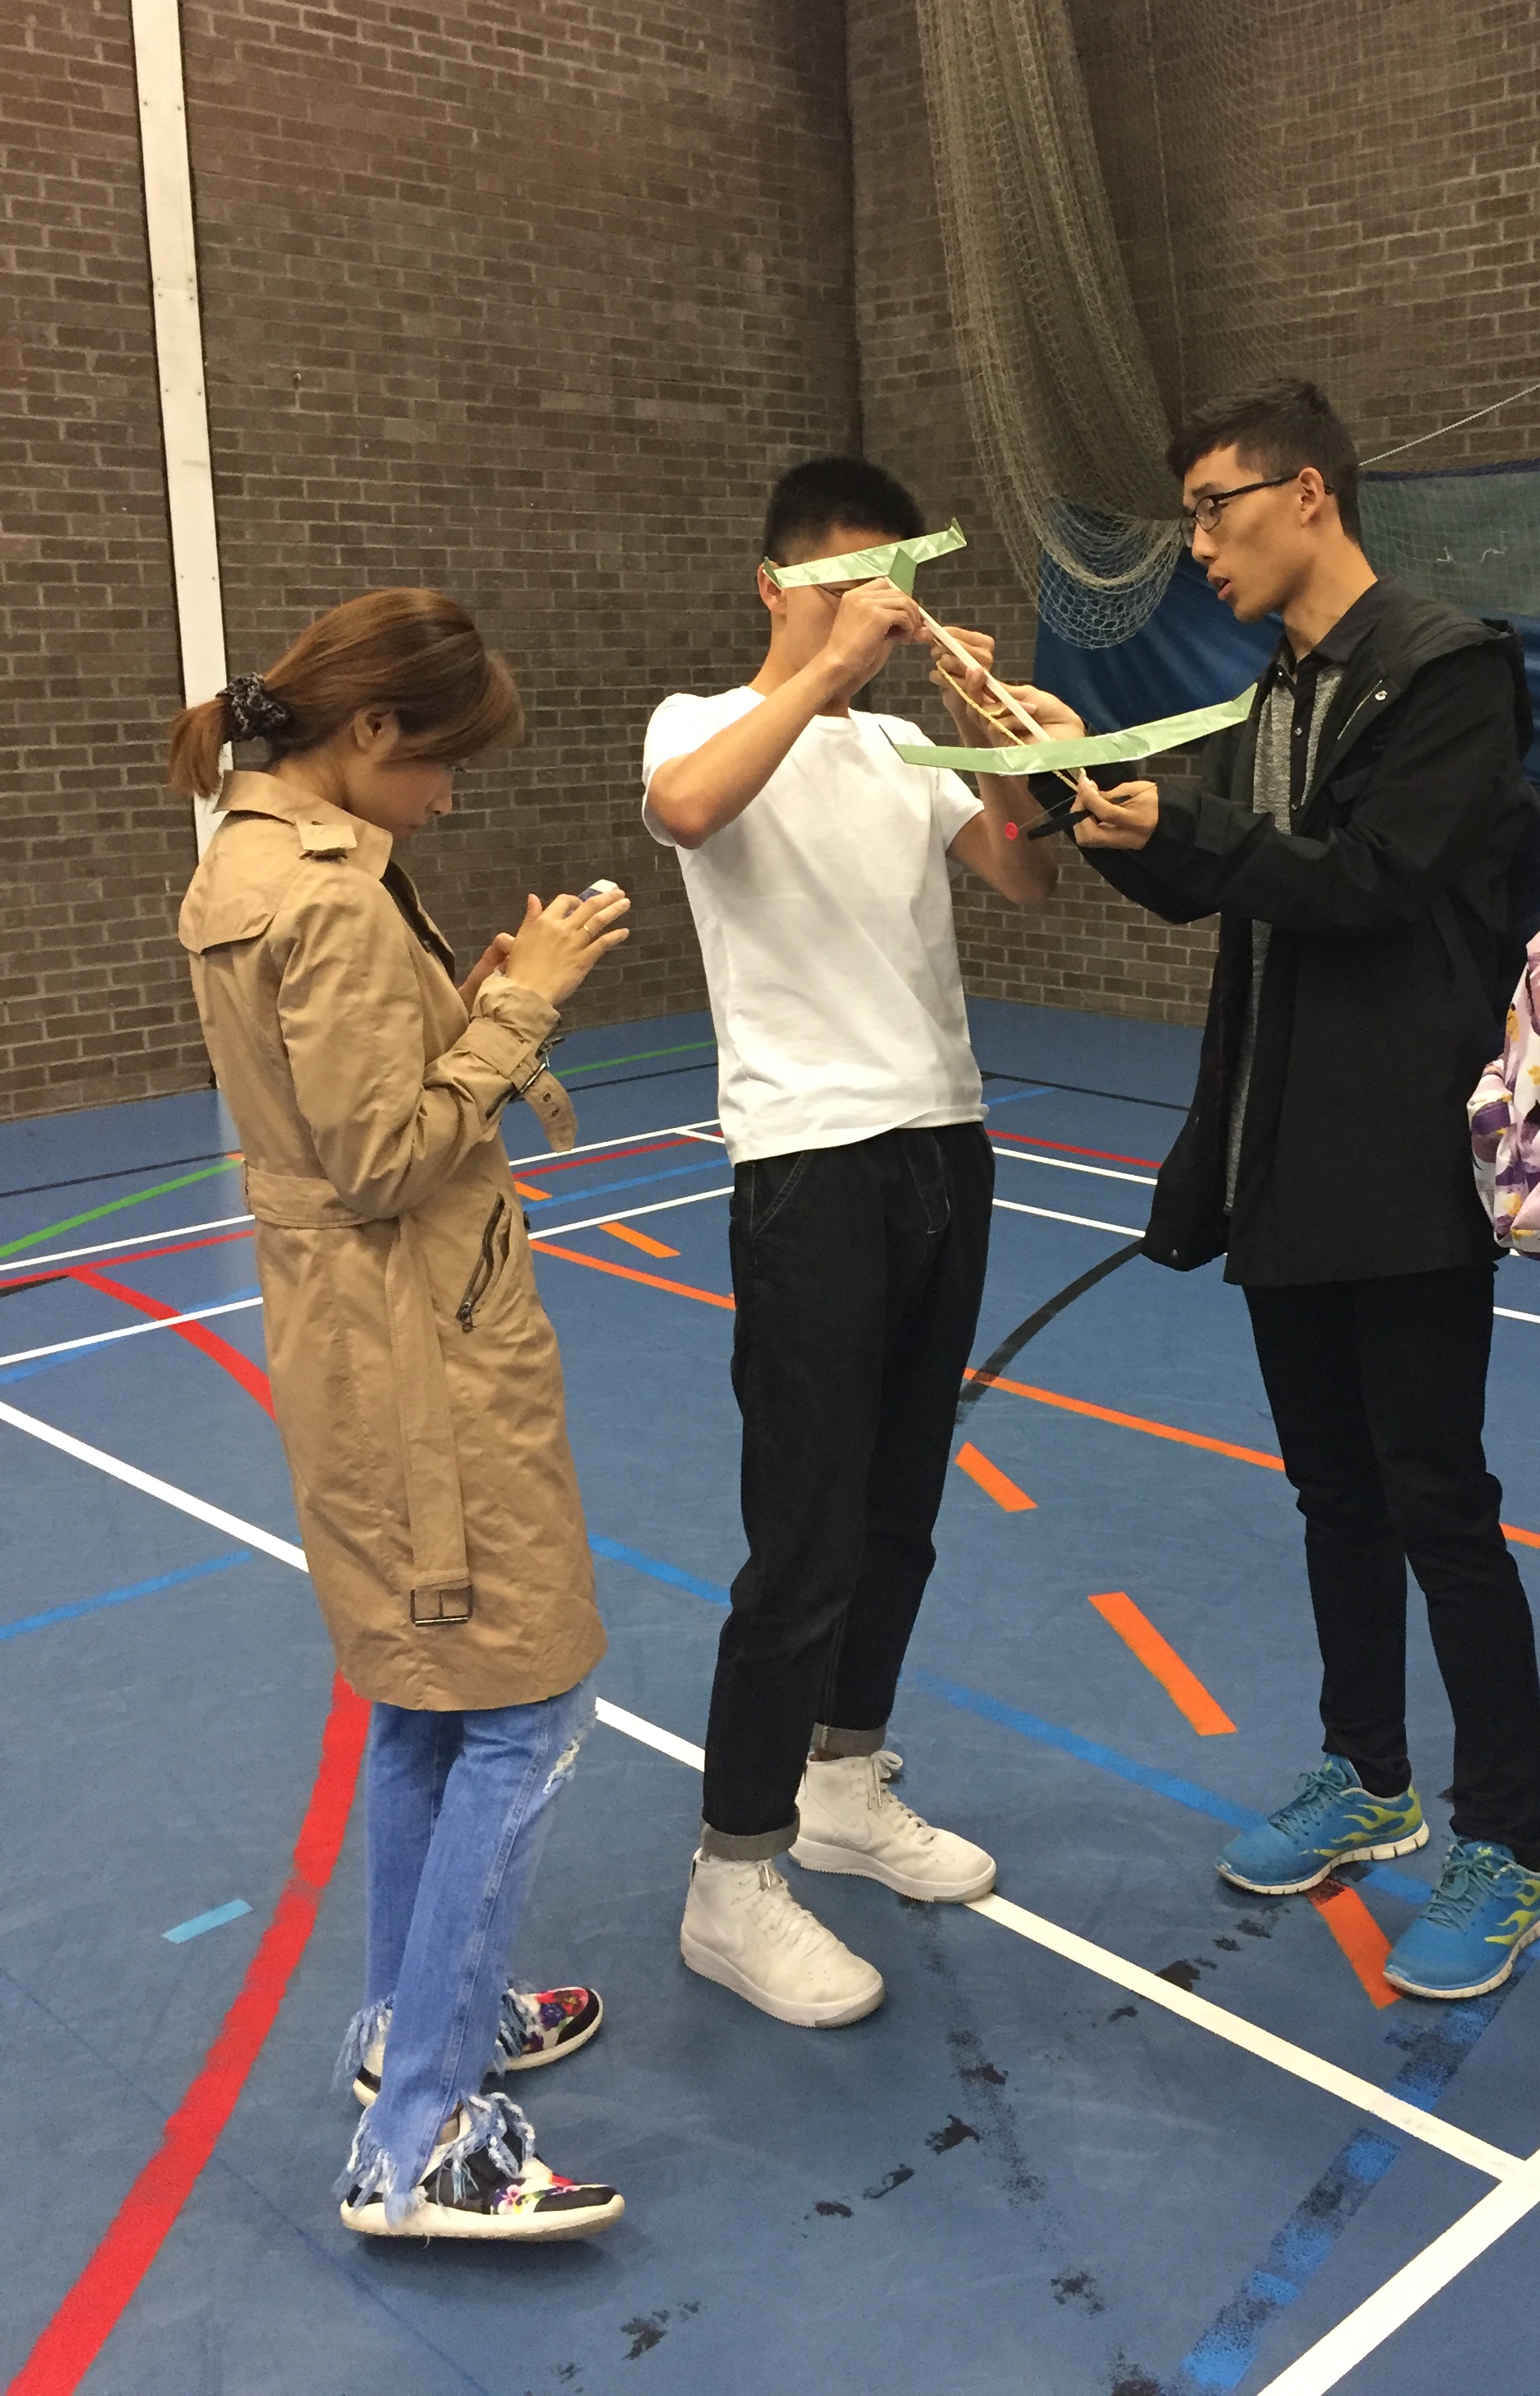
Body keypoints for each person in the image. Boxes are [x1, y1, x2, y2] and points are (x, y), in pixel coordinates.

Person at [1073, 378, 1540, 1999]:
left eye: (1214, 509)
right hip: (1282, 1155)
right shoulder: (1277, 689)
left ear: (1309, 495)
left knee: (1438, 1500)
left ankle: (1506, 1845)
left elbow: (1373, 884)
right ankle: (1369, 1776)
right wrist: (1089, 796)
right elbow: (1219, 884)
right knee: (1332, 1495)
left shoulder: (1448, 670)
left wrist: (1195, 828)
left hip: (1405, 1166)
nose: (1199, 546)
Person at [169, 589, 632, 2239]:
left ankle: (411, 2018)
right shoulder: (329, 898)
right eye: (440, 765)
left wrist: (462, 1003)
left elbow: (337, 1101)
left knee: (428, 1694)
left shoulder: (254, 859)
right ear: (371, 731)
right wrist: (524, 1004)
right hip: (418, 1350)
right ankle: (422, 2136)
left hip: (361, 1338)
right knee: (522, 1697)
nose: (444, 799)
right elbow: (380, 1160)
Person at [641, 456, 1083, 2026]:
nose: (878, 613)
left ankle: (842, 1780)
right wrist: (824, 670)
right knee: (806, 1530)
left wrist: (1016, 748)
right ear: (776, 587)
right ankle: (731, 1874)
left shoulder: (905, 744)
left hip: (943, 1139)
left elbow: (1025, 877)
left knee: (900, 1507)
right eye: (846, 585)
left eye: (894, 586)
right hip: (808, 1161)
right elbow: (687, 813)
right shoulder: (700, 722)